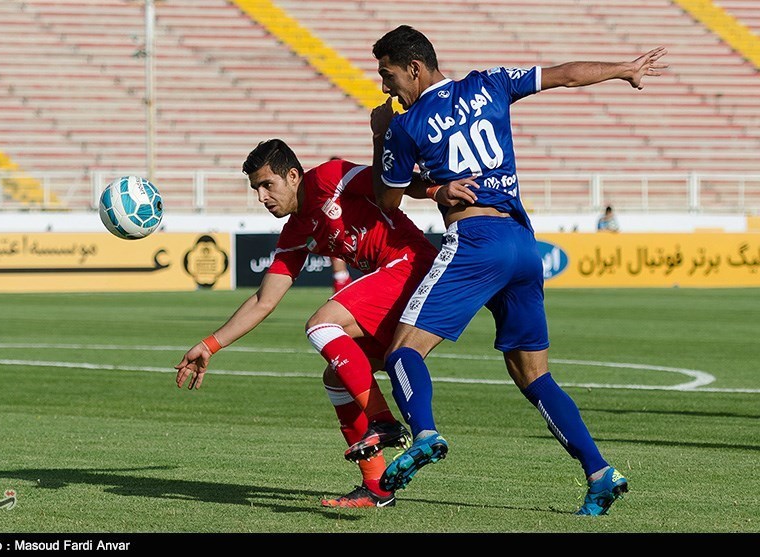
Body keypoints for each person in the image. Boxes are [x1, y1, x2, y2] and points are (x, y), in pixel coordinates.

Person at [365, 25, 667, 515]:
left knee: (402, 352)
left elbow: (386, 198)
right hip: (524, 246)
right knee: (534, 375)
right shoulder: (490, 83)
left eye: (388, 74)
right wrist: (624, 69)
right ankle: (599, 472)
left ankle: (422, 435)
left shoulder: (406, 125)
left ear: (414, 68)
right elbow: (565, 75)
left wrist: (382, 136)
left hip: (475, 243)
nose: (385, 87)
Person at [174, 139, 475, 508]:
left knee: (321, 325)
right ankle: (377, 488)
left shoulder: (330, 178)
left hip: (411, 264)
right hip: (393, 289)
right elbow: (263, 300)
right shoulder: (296, 233)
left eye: (268, 185)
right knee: (336, 378)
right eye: (256, 189)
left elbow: (389, 181)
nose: (262, 197)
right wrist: (209, 345)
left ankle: (384, 422)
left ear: (293, 175)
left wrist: (435, 190)